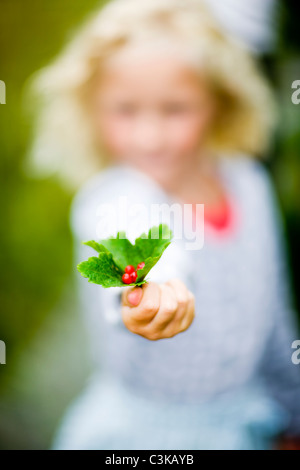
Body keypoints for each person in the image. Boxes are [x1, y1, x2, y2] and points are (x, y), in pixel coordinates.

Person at [26, 0, 300, 450]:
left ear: (219, 102)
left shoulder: (249, 183)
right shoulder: (111, 196)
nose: (149, 137)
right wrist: (154, 288)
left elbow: (276, 318)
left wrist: (293, 414)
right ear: (92, 110)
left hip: (250, 425)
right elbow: (132, 235)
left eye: (175, 109)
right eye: (125, 111)